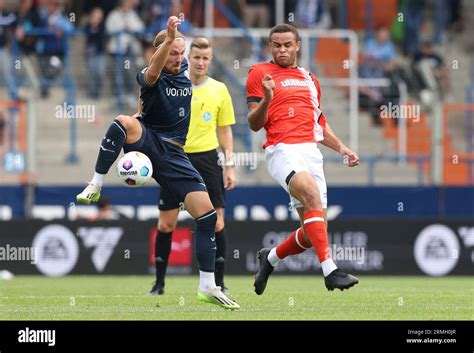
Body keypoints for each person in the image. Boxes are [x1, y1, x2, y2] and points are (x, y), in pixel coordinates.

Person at [76, 16, 239, 310]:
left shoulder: (186, 69)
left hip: (176, 154)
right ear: (159, 52)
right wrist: (170, 38)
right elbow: (152, 74)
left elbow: (186, 65)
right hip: (152, 140)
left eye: (180, 52)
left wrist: (180, 41)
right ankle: (95, 183)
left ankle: (208, 286)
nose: (178, 58)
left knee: (207, 218)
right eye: (171, 52)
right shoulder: (149, 75)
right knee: (122, 122)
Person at [246, 24, 359, 295]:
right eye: (276, 45)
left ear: (297, 45)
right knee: (310, 194)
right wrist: (268, 97)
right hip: (281, 148)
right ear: (270, 47)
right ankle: (331, 271)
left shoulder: (310, 78)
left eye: (287, 44)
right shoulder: (259, 73)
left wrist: (342, 148)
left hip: (311, 152)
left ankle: (270, 258)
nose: (281, 49)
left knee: (311, 234)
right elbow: (253, 123)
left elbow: (318, 124)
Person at [150, 37, 236, 296]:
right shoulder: (175, 83)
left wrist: (230, 165)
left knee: (217, 222)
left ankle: (218, 283)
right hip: (175, 157)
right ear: (189, 58)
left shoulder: (219, 89)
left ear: (210, 60)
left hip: (208, 160)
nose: (200, 62)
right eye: (196, 57)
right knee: (166, 225)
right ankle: (159, 284)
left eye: (205, 58)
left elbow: (225, 130)